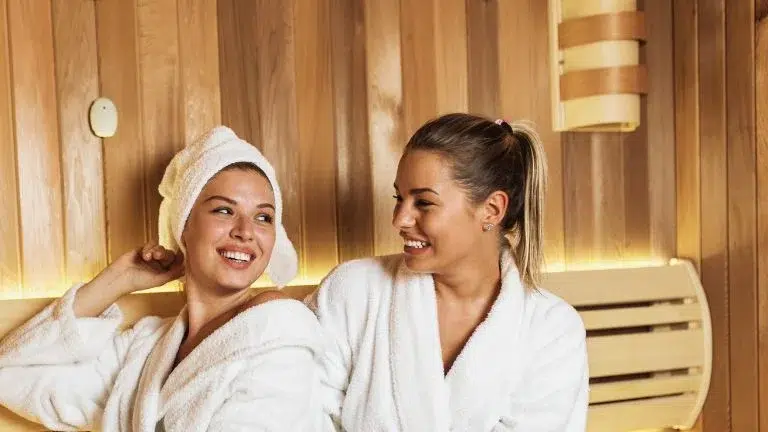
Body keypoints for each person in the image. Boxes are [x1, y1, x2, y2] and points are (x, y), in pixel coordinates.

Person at [0, 126, 322, 431]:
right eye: (224, 210)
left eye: (263, 217)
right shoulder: (146, 348)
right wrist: (118, 280)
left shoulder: (278, 329)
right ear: (183, 224)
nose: (246, 232)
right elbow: (12, 373)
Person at [308, 113, 589, 431]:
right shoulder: (353, 291)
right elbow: (301, 410)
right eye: (399, 198)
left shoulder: (550, 330)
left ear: (491, 210)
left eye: (423, 203)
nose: (400, 219)